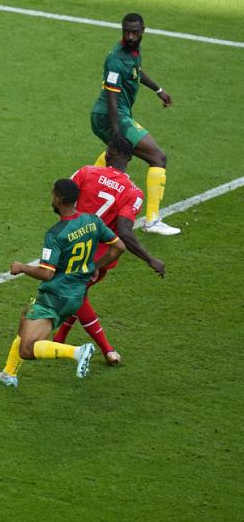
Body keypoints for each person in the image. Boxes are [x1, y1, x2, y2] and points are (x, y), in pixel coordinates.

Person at [0, 179, 126, 388]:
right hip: (76, 295)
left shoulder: (55, 234)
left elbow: (46, 273)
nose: (51, 198)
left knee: (27, 350)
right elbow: (119, 247)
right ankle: (9, 373)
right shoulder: (93, 221)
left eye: (53, 194)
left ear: (59, 200)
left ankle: (77, 352)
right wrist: (95, 266)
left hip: (55, 296)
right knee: (27, 314)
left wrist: (22, 267)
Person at [53, 135, 166, 364]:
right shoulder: (133, 193)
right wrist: (150, 259)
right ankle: (61, 339)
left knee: (75, 297)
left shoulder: (86, 172)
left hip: (72, 249)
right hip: (100, 257)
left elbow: (63, 200)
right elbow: (125, 232)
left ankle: (106, 349)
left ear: (107, 154)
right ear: (130, 159)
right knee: (77, 295)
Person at [90, 12, 178, 235]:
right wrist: (118, 133)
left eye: (135, 32)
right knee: (158, 157)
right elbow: (111, 99)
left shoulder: (133, 52)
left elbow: (136, 72)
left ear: (142, 32)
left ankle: (84, 192)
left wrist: (158, 90)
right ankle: (152, 220)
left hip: (115, 115)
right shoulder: (116, 59)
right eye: (126, 32)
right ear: (122, 30)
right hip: (110, 115)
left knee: (113, 156)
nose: (130, 36)